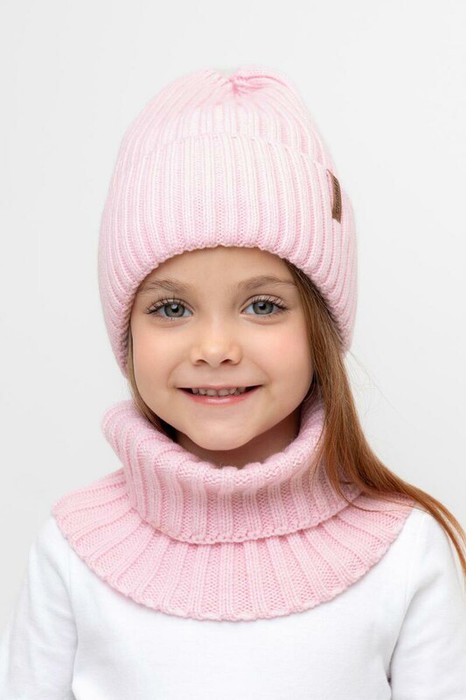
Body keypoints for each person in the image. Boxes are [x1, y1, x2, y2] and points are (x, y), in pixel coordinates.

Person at [1, 65, 465, 699]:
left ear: (320, 327)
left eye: (263, 305)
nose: (215, 349)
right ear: (127, 330)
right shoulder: (73, 546)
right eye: (171, 307)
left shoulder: (405, 550)